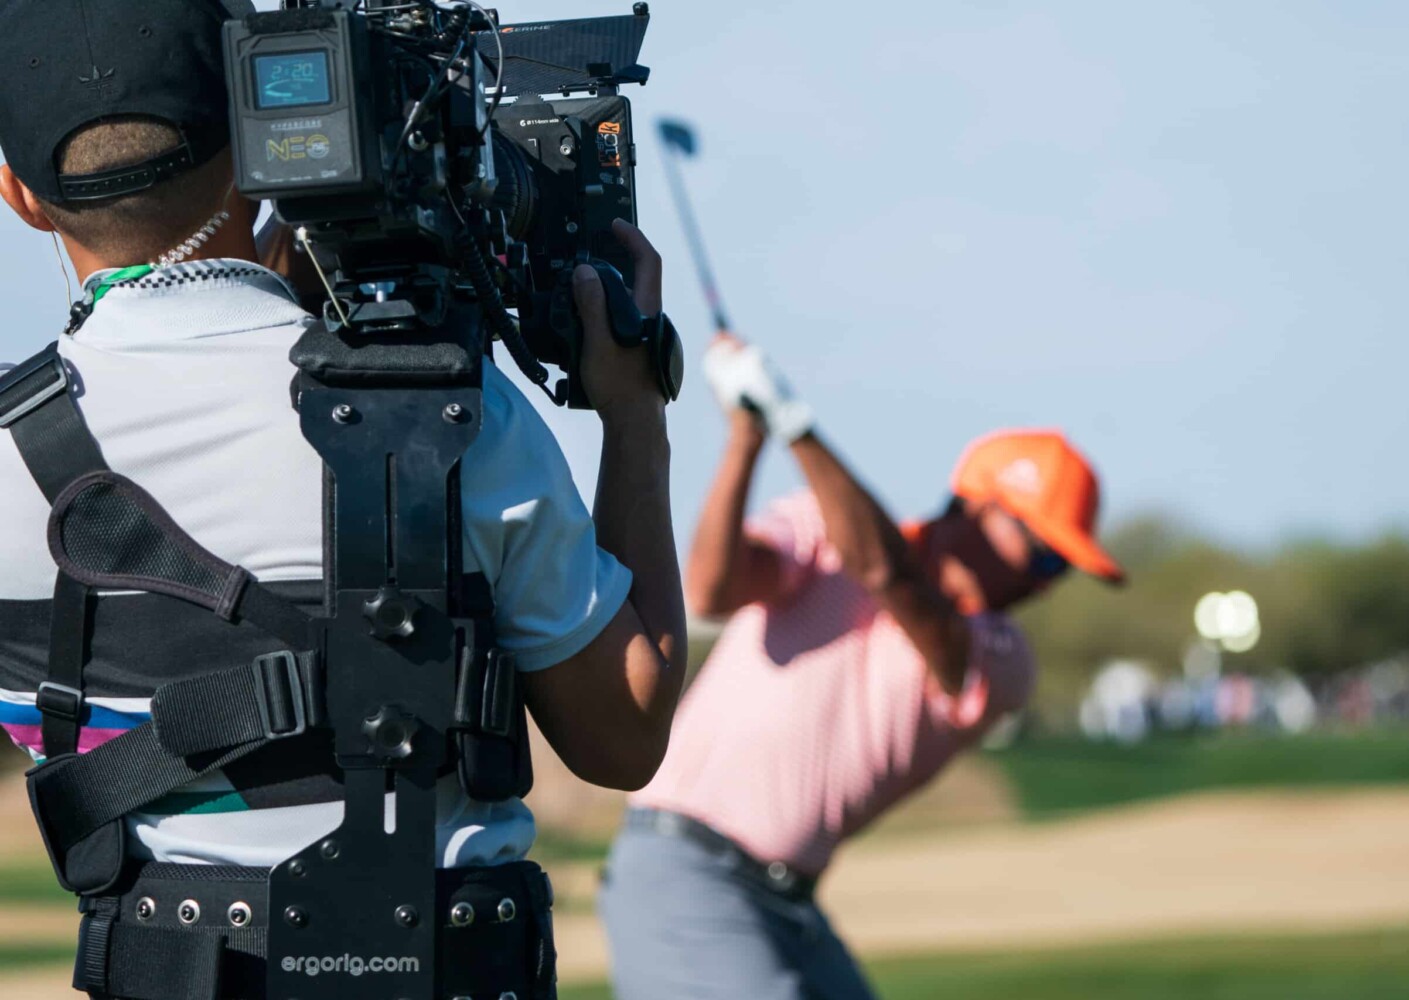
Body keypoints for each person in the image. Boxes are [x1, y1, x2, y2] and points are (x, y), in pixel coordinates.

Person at [0, 1, 685, 997]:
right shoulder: (454, 414)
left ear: (18, 193)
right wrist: (635, 414)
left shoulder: (13, 453)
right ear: (260, 140)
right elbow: (624, 734)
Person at [600, 332, 1126, 999]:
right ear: (980, 506)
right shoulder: (824, 531)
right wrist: (747, 437)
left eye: (1063, 569)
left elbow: (888, 572)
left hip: (786, 900)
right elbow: (710, 587)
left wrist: (793, 420)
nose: (1045, 583)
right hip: (684, 871)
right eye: (1046, 554)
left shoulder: (1003, 656)